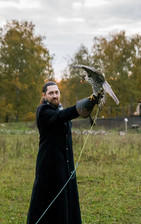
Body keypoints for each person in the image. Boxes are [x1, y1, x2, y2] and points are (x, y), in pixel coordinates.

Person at [27, 81, 100, 224]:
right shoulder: (43, 111)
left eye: (57, 92)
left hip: (65, 165)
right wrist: (88, 101)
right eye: (51, 93)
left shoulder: (59, 109)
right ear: (44, 95)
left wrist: (90, 105)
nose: (55, 96)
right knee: (47, 202)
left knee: (65, 202)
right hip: (49, 166)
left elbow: (65, 115)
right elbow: (62, 116)